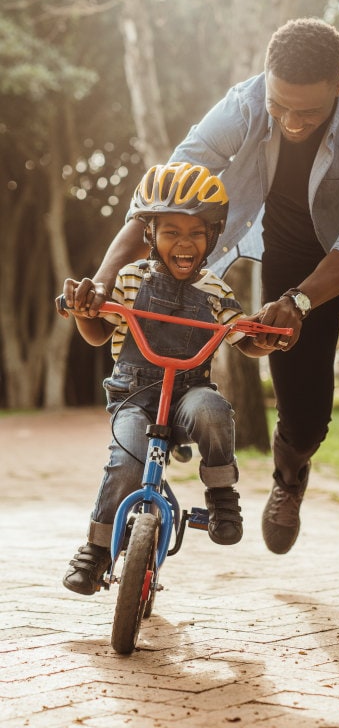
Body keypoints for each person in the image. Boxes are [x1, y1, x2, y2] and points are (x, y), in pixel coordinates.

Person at [66, 18, 339, 618]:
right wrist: (104, 279)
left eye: (307, 114)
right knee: (305, 415)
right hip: (290, 251)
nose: (290, 122)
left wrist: (302, 303)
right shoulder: (243, 103)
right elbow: (165, 192)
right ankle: (290, 474)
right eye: (280, 106)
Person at [60, 162, 278, 597]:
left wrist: (266, 338)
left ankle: (221, 495)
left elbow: (243, 337)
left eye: (196, 233)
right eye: (171, 231)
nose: (184, 243)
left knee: (214, 411)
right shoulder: (128, 279)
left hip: (188, 395)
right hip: (134, 396)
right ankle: (97, 549)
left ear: (213, 236)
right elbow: (99, 331)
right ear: (150, 235)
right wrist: (85, 312)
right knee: (126, 462)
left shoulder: (216, 291)